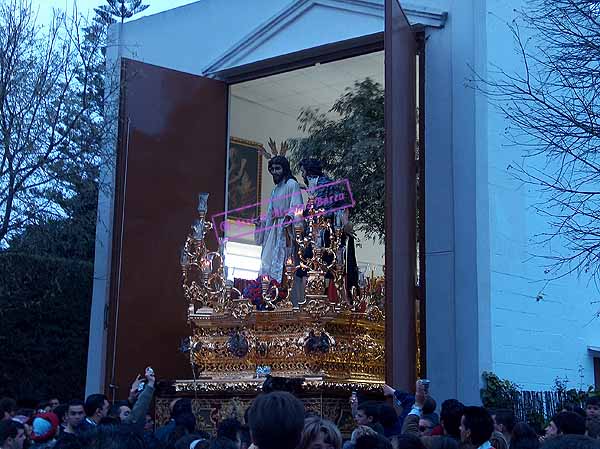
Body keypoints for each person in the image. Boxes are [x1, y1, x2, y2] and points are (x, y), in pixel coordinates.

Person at [254, 154, 304, 306]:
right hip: (275, 230)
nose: (275, 172)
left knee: (285, 265)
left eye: (278, 168)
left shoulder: (291, 184)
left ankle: (287, 299)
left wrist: (289, 217)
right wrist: (261, 225)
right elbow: (270, 213)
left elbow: (297, 206)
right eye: (272, 169)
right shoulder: (275, 190)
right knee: (267, 264)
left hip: (286, 232)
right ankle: (269, 297)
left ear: (284, 168)